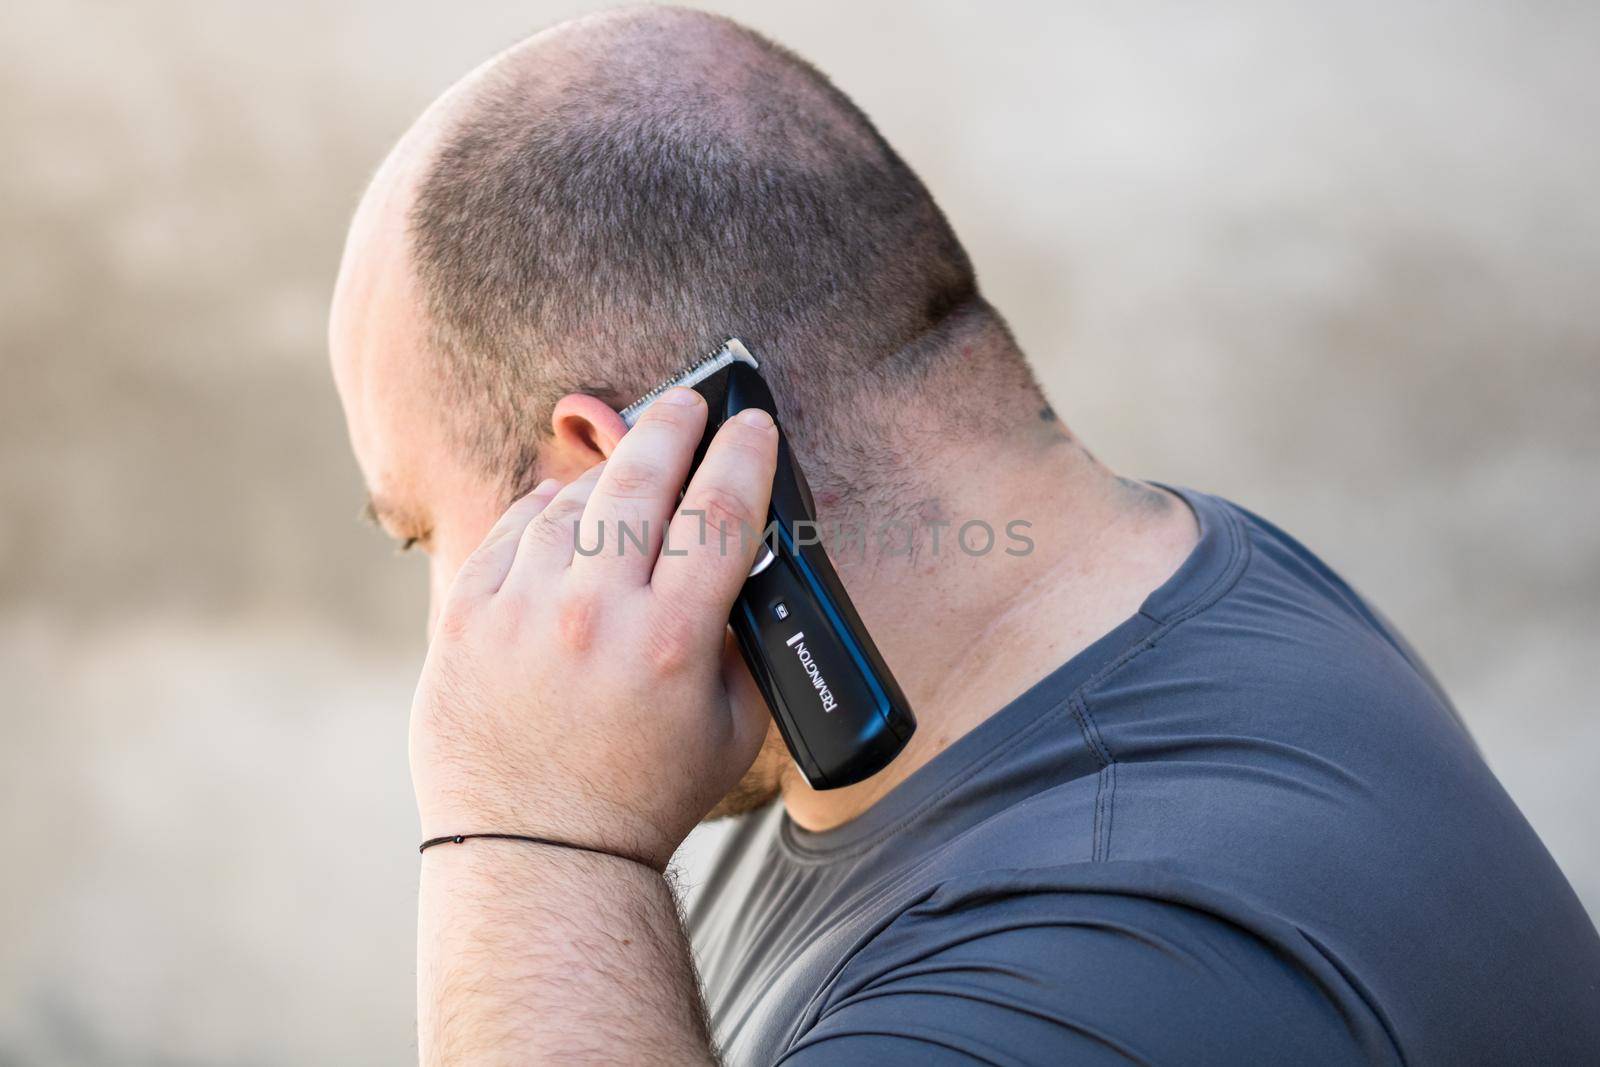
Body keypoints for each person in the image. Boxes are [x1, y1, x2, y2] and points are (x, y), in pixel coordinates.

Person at [328, 7, 1600, 1064]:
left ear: (618, 476)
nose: (447, 623)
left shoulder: (1103, 968)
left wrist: (528, 846)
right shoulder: (1180, 579)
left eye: (426, 530)